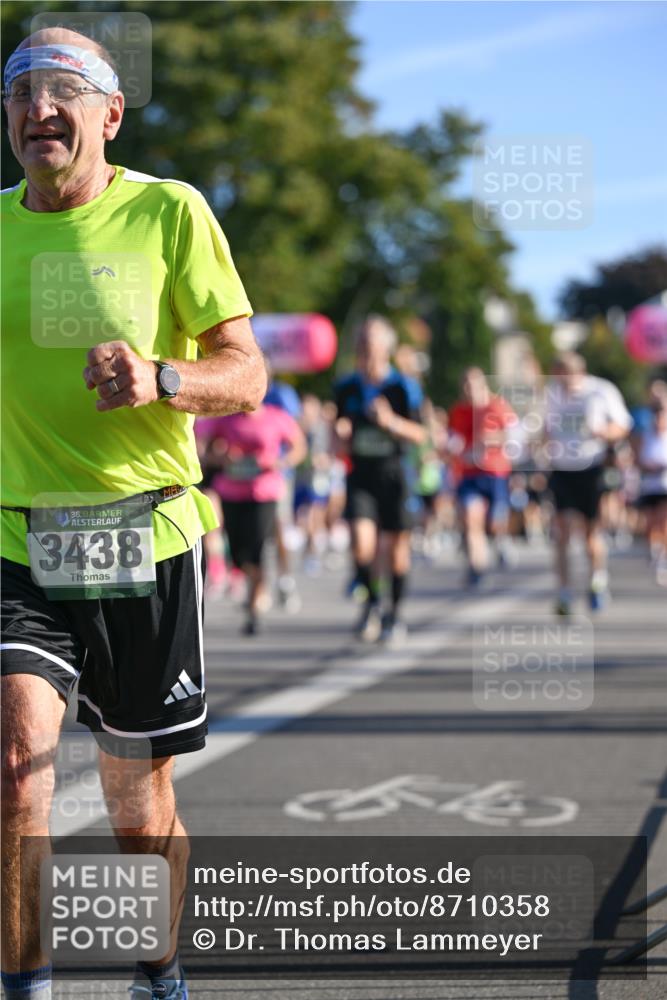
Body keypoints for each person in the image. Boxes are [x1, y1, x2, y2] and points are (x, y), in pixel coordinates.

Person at [0, 28, 266, 1000]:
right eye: (21, 90)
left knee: (134, 803)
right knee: (16, 767)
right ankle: (26, 987)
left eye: (65, 89)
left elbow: (247, 374)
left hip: (139, 532)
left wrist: (162, 377)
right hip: (16, 536)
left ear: (111, 114)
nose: (39, 108)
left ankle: (158, 968)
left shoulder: (168, 213)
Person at [333, 316, 425, 645]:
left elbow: (420, 434)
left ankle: (394, 614)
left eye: (372, 345)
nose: (366, 351)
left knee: (397, 551)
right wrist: (339, 435)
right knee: (362, 544)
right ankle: (371, 605)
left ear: (386, 348)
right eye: (362, 344)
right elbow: (338, 434)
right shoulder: (346, 387)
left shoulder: (403, 387)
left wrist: (390, 422)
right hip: (361, 475)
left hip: (395, 474)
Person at [196, 404, 306, 635]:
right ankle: (252, 587)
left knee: (257, 549)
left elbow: (299, 447)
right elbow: (203, 451)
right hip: (231, 493)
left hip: (264, 493)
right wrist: (220, 457)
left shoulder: (276, 417)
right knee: (237, 554)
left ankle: (254, 610)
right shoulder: (225, 418)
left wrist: (280, 463)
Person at [543, 352, 631, 615]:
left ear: (579, 373)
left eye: (565, 378)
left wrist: (602, 432)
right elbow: (542, 427)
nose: (562, 383)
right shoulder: (551, 393)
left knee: (591, 533)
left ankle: (597, 582)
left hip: (590, 467)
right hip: (561, 468)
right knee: (561, 533)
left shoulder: (601, 391)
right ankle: (564, 592)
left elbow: (623, 425)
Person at [447, 368, 518, 586]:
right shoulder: (458, 411)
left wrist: (492, 438)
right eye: (466, 385)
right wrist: (452, 448)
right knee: (471, 518)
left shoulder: (497, 406)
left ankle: (500, 540)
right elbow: (452, 438)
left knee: (495, 521)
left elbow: (517, 435)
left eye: (474, 385)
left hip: (495, 472)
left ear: (483, 385)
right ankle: (476, 567)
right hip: (468, 473)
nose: (470, 390)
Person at [633, 400, 667, 585]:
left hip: (665, 486)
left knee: (664, 523)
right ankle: (654, 552)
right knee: (650, 525)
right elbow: (637, 461)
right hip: (650, 486)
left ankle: (662, 560)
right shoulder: (645, 437)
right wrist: (648, 466)